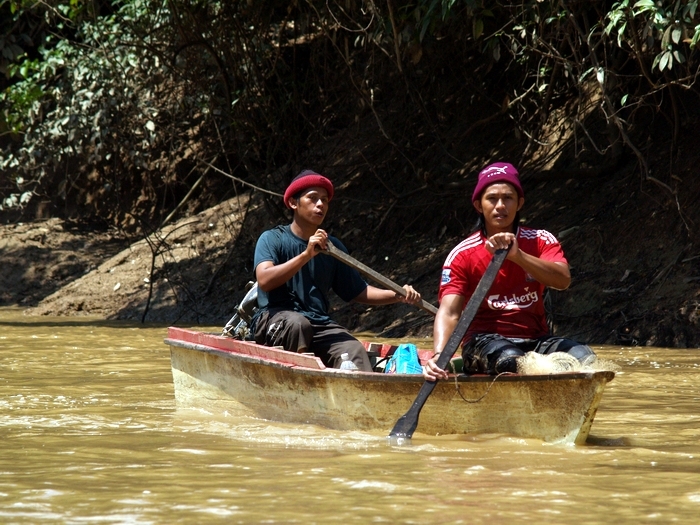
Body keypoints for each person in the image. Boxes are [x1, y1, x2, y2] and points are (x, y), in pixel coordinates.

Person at [423, 161, 595, 381]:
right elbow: (449, 312)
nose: (500, 206)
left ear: (520, 203)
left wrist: (518, 256)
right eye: (492, 198)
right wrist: (439, 355)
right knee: (510, 360)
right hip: (484, 342)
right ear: (478, 205)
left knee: (584, 356)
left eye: (508, 198)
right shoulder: (462, 254)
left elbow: (563, 280)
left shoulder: (541, 240)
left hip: (536, 340)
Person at [251, 169, 422, 372]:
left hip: (317, 323)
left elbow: (358, 290)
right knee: (298, 325)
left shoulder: (332, 248)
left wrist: (397, 295)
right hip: (275, 319)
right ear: (293, 203)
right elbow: (264, 279)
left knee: (354, 349)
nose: (321, 204)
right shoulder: (272, 238)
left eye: (324, 200)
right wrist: (306, 255)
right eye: (313, 198)